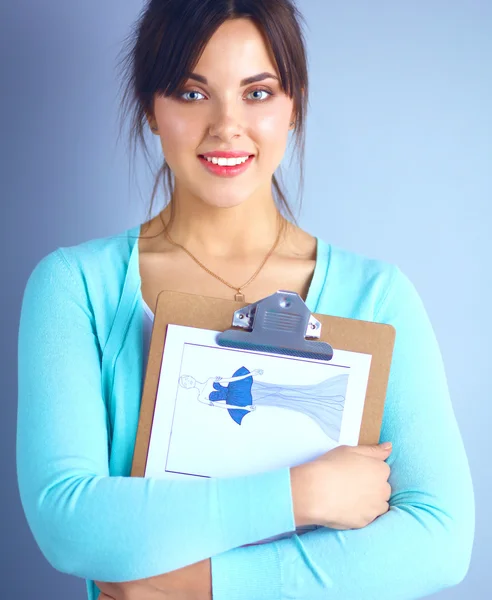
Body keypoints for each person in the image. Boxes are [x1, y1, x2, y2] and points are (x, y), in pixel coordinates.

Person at [16, 1, 474, 599]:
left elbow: (440, 539)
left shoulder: (378, 297)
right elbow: (69, 521)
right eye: (191, 92)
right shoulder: (76, 287)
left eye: (257, 93)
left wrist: (200, 585)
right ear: (151, 108)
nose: (227, 126)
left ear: (295, 105)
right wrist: (302, 494)